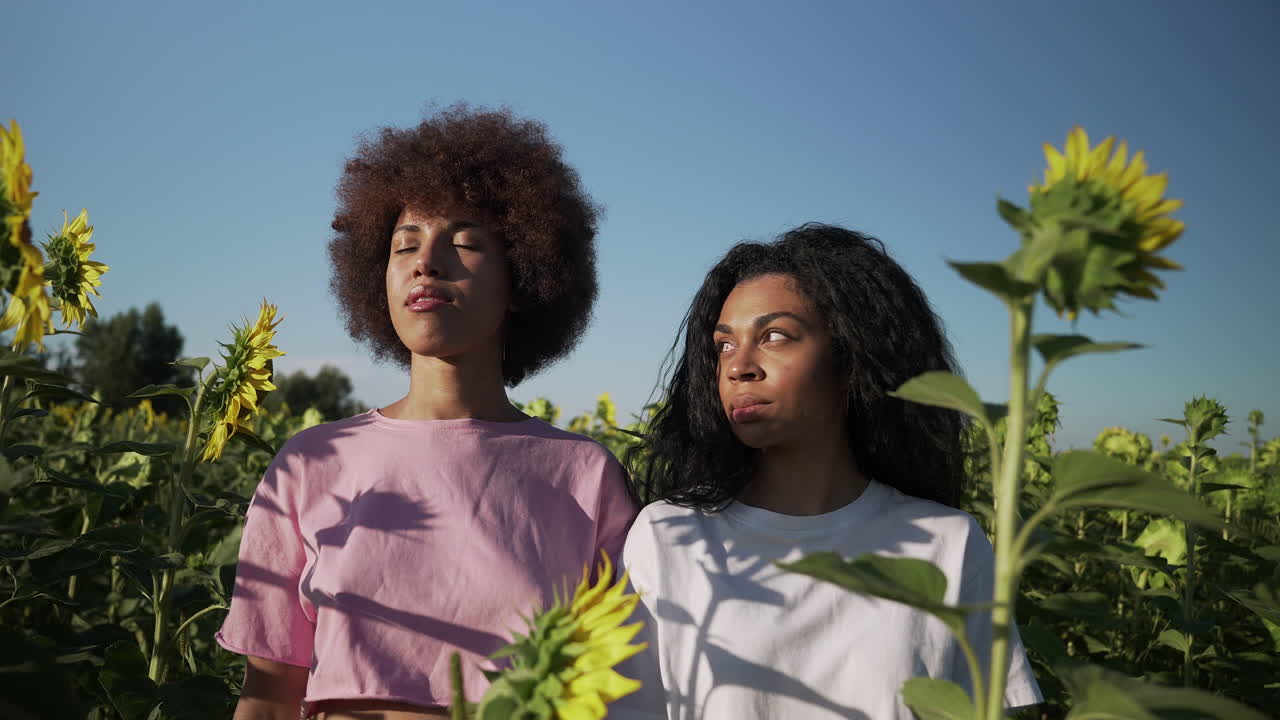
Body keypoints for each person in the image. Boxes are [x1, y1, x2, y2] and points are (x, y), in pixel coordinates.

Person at [216, 104, 637, 720]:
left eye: (464, 243)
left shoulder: (585, 475)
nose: (426, 262)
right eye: (403, 245)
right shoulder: (310, 463)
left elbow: (620, 687)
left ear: (524, 277)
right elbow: (269, 697)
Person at [613, 224, 1041, 719]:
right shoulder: (672, 535)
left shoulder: (947, 543)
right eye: (725, 345)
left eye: (774, 336)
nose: (739, 367)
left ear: (851, 356)